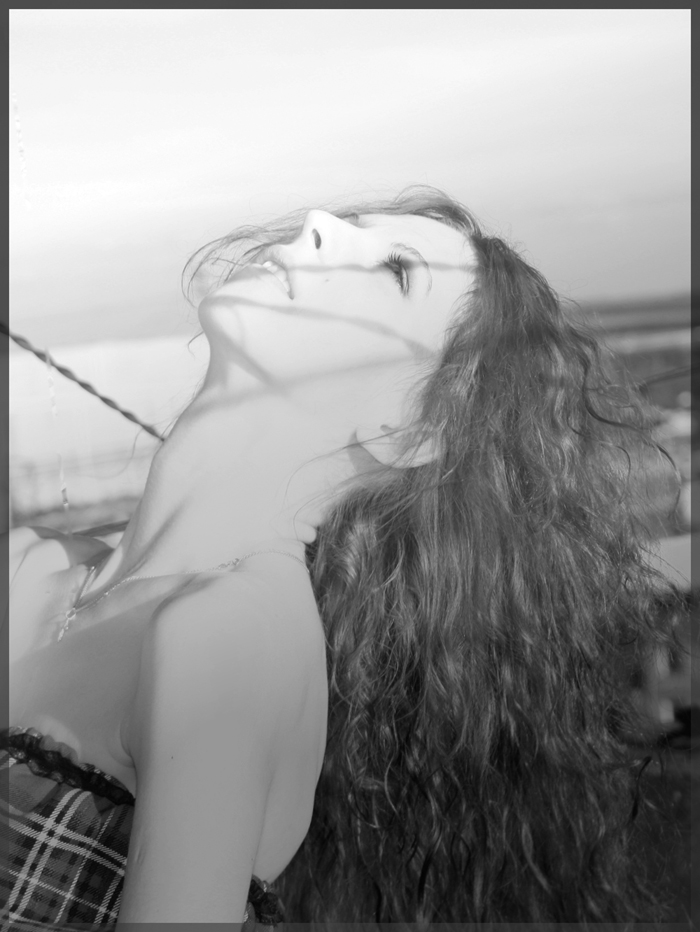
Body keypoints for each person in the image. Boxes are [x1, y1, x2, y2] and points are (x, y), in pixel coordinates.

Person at [2, 186, 679, 927]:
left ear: (406, 428)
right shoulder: (32, 563)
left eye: (395, 270)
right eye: (351, 225)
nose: (320, 225)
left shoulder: (228, 637)